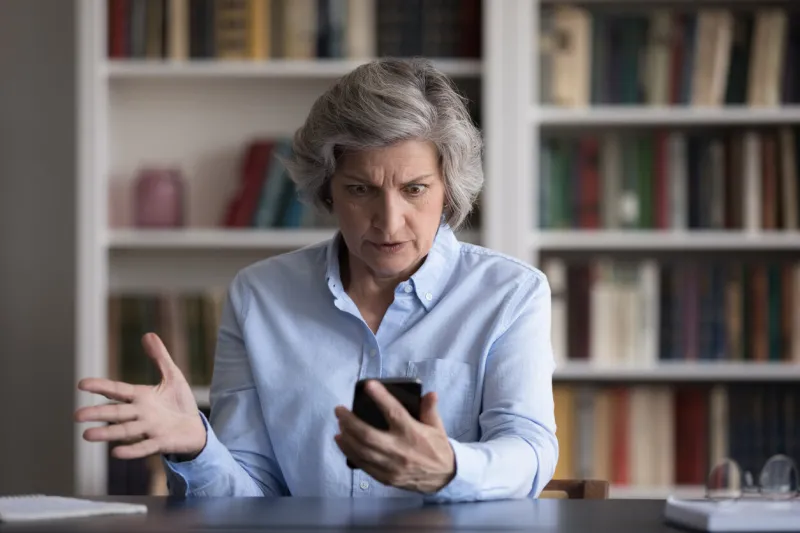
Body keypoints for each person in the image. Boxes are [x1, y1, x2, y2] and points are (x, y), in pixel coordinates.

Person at [74, 58, 558, 502]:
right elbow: (250, 491)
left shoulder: (509, 294)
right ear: (327, 191)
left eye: (414, 190)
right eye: (360, 190)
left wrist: (451, 468)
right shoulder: (259, 296)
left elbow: (530, 450)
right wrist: (198, 447)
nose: (389, 223)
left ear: (448, 190)